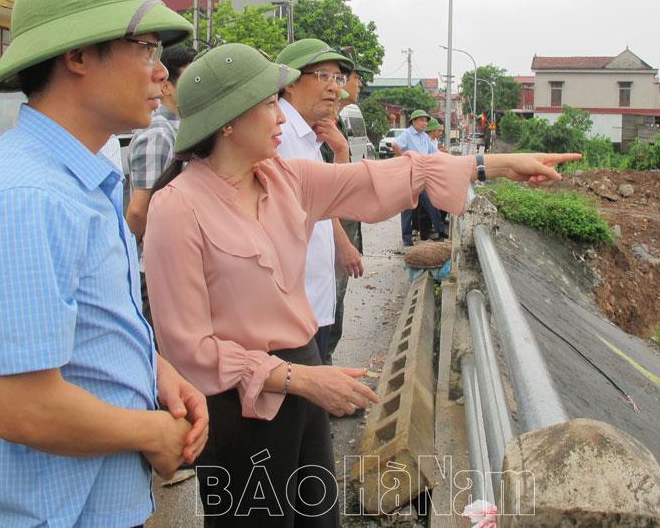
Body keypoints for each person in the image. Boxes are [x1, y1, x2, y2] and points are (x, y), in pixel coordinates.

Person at [142, 43, 580, 525]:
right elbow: (188, 349)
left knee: (317, 518)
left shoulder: (285, 179)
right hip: (239, 403)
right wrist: (302, 380)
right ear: (227, 121)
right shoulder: (177, 208)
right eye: (268, 103)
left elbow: (380, 177)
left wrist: (495, 166)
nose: (281, 116)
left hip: (304, 378)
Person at [0, 0, 209, 527]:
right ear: (78, 56)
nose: (162, 73)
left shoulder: (86, 171)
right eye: (147, 49)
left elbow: (88, 321)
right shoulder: (25, 197)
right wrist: (154, 431)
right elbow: (28, 409)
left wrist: (155, 372)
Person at [274, 38, 363, 363]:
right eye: (323, 76)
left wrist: (340, 151)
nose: (334, 88)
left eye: (338, 79)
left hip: (312, 297)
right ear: (291, 83)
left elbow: (329, 202)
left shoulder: (310, 136)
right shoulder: (278, 135)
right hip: (290, 306)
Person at [127, 43, 197, 322]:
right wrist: (132, 262)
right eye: (191, 80)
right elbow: (138, 210)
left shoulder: (183, 128)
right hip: (154, 272)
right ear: (166, 86)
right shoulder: (159, 133)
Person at [324, 48, 371, 365]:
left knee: (334, 303)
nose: (359, 84)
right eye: (355, 77)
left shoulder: (338, 122)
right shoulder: (324, 129)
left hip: (344, 228)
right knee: (328, 305)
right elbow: (323, 198)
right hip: (332, 231)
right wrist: (343, 244)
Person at [393, 109, 447, 244]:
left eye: (426, 121)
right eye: (422, 120)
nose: (424, 123)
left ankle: (440, 231)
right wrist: (403, 160)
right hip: (409, 175)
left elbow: (434, 153)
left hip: (422, 175)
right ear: (414, 121)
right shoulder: (407, 134)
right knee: (407, 206)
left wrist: (447, 158)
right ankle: (406, 238)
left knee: (431, 202)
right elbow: (395, 145)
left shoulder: (424, 136)